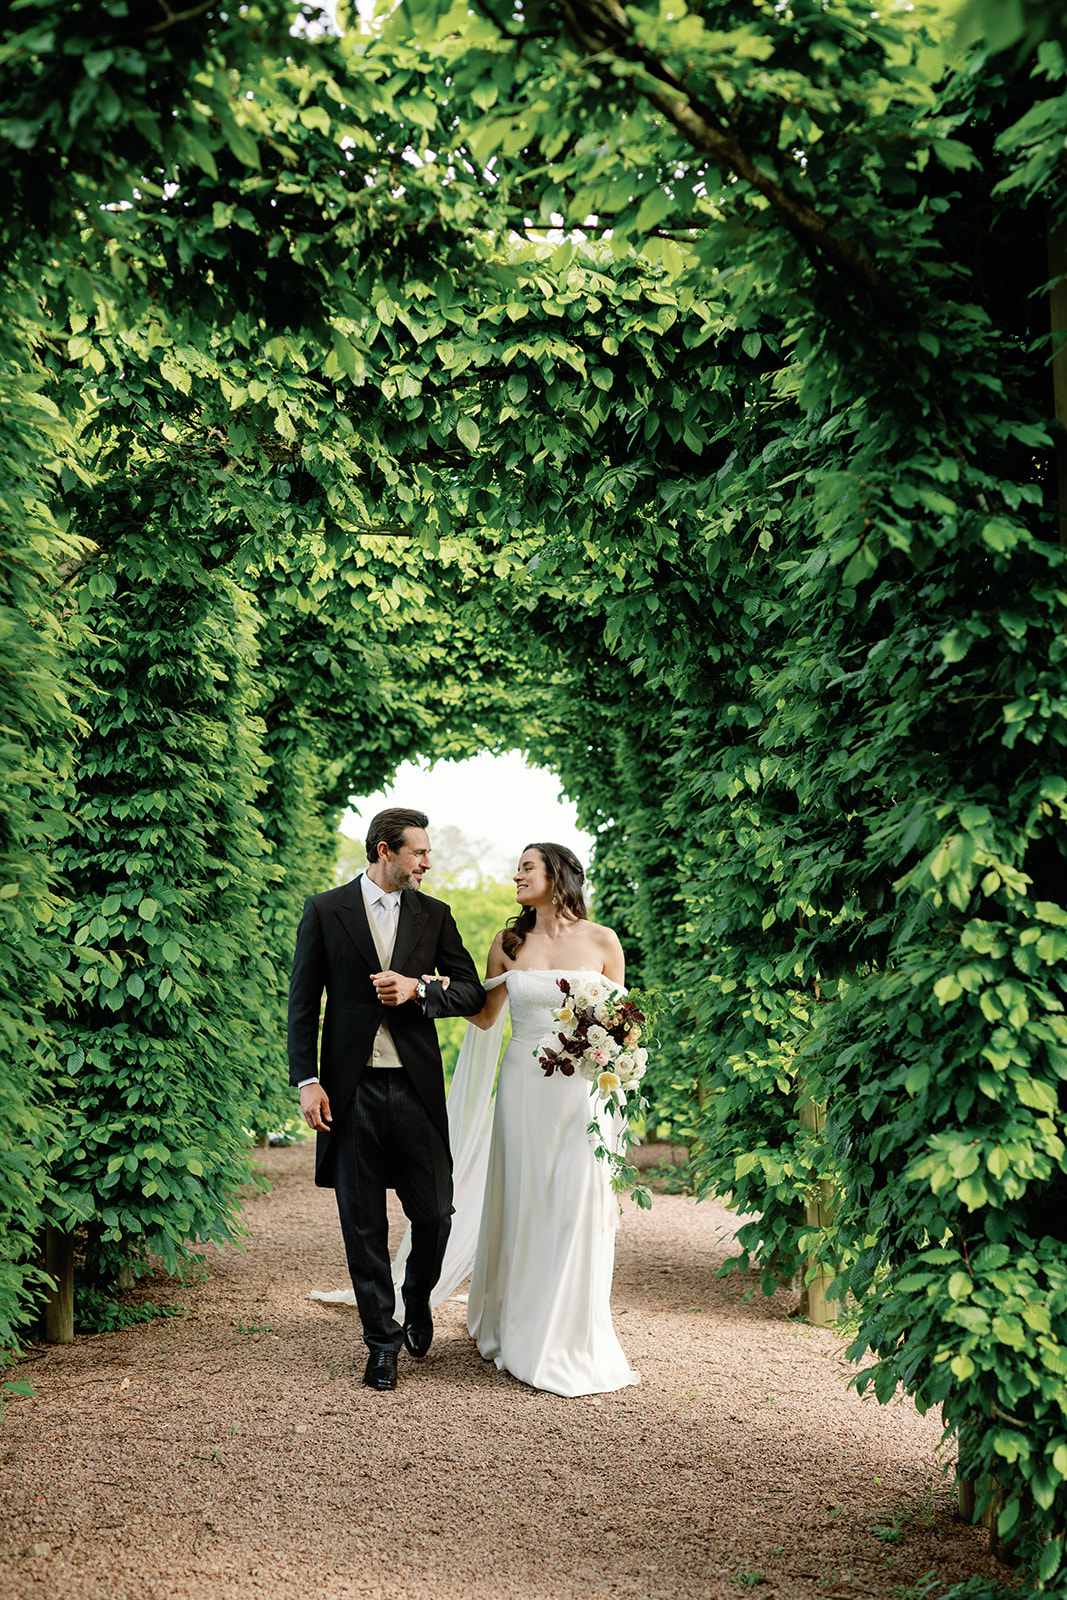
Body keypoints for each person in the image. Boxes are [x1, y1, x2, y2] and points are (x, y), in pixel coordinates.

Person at [287, 807, 486, 1392]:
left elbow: (472, 993)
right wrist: (307, 1081)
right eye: (419, 852)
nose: (428, 862)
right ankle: (381, 1341)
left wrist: (419, 988)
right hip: (349, 1094)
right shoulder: (326, 910)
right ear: (384, 851)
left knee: (435, 1213)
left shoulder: (436, 915)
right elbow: (302, 1004)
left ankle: (417, 1298)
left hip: (416, 1089)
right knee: (362, 1224)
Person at [461, 842, 640, 1396]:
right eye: (517, 867)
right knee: (527, 1197)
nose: (516, 874)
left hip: (582, 1092)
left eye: (527, 866)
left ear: (557, 874)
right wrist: (430, 988)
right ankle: (518, 1325)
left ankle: (569, 1334)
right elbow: (485, 1017)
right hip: (523, 1085)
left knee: (574, 1200)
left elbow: (626, 1023)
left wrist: (617, 1052)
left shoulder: (602, 941)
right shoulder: (507, 943)